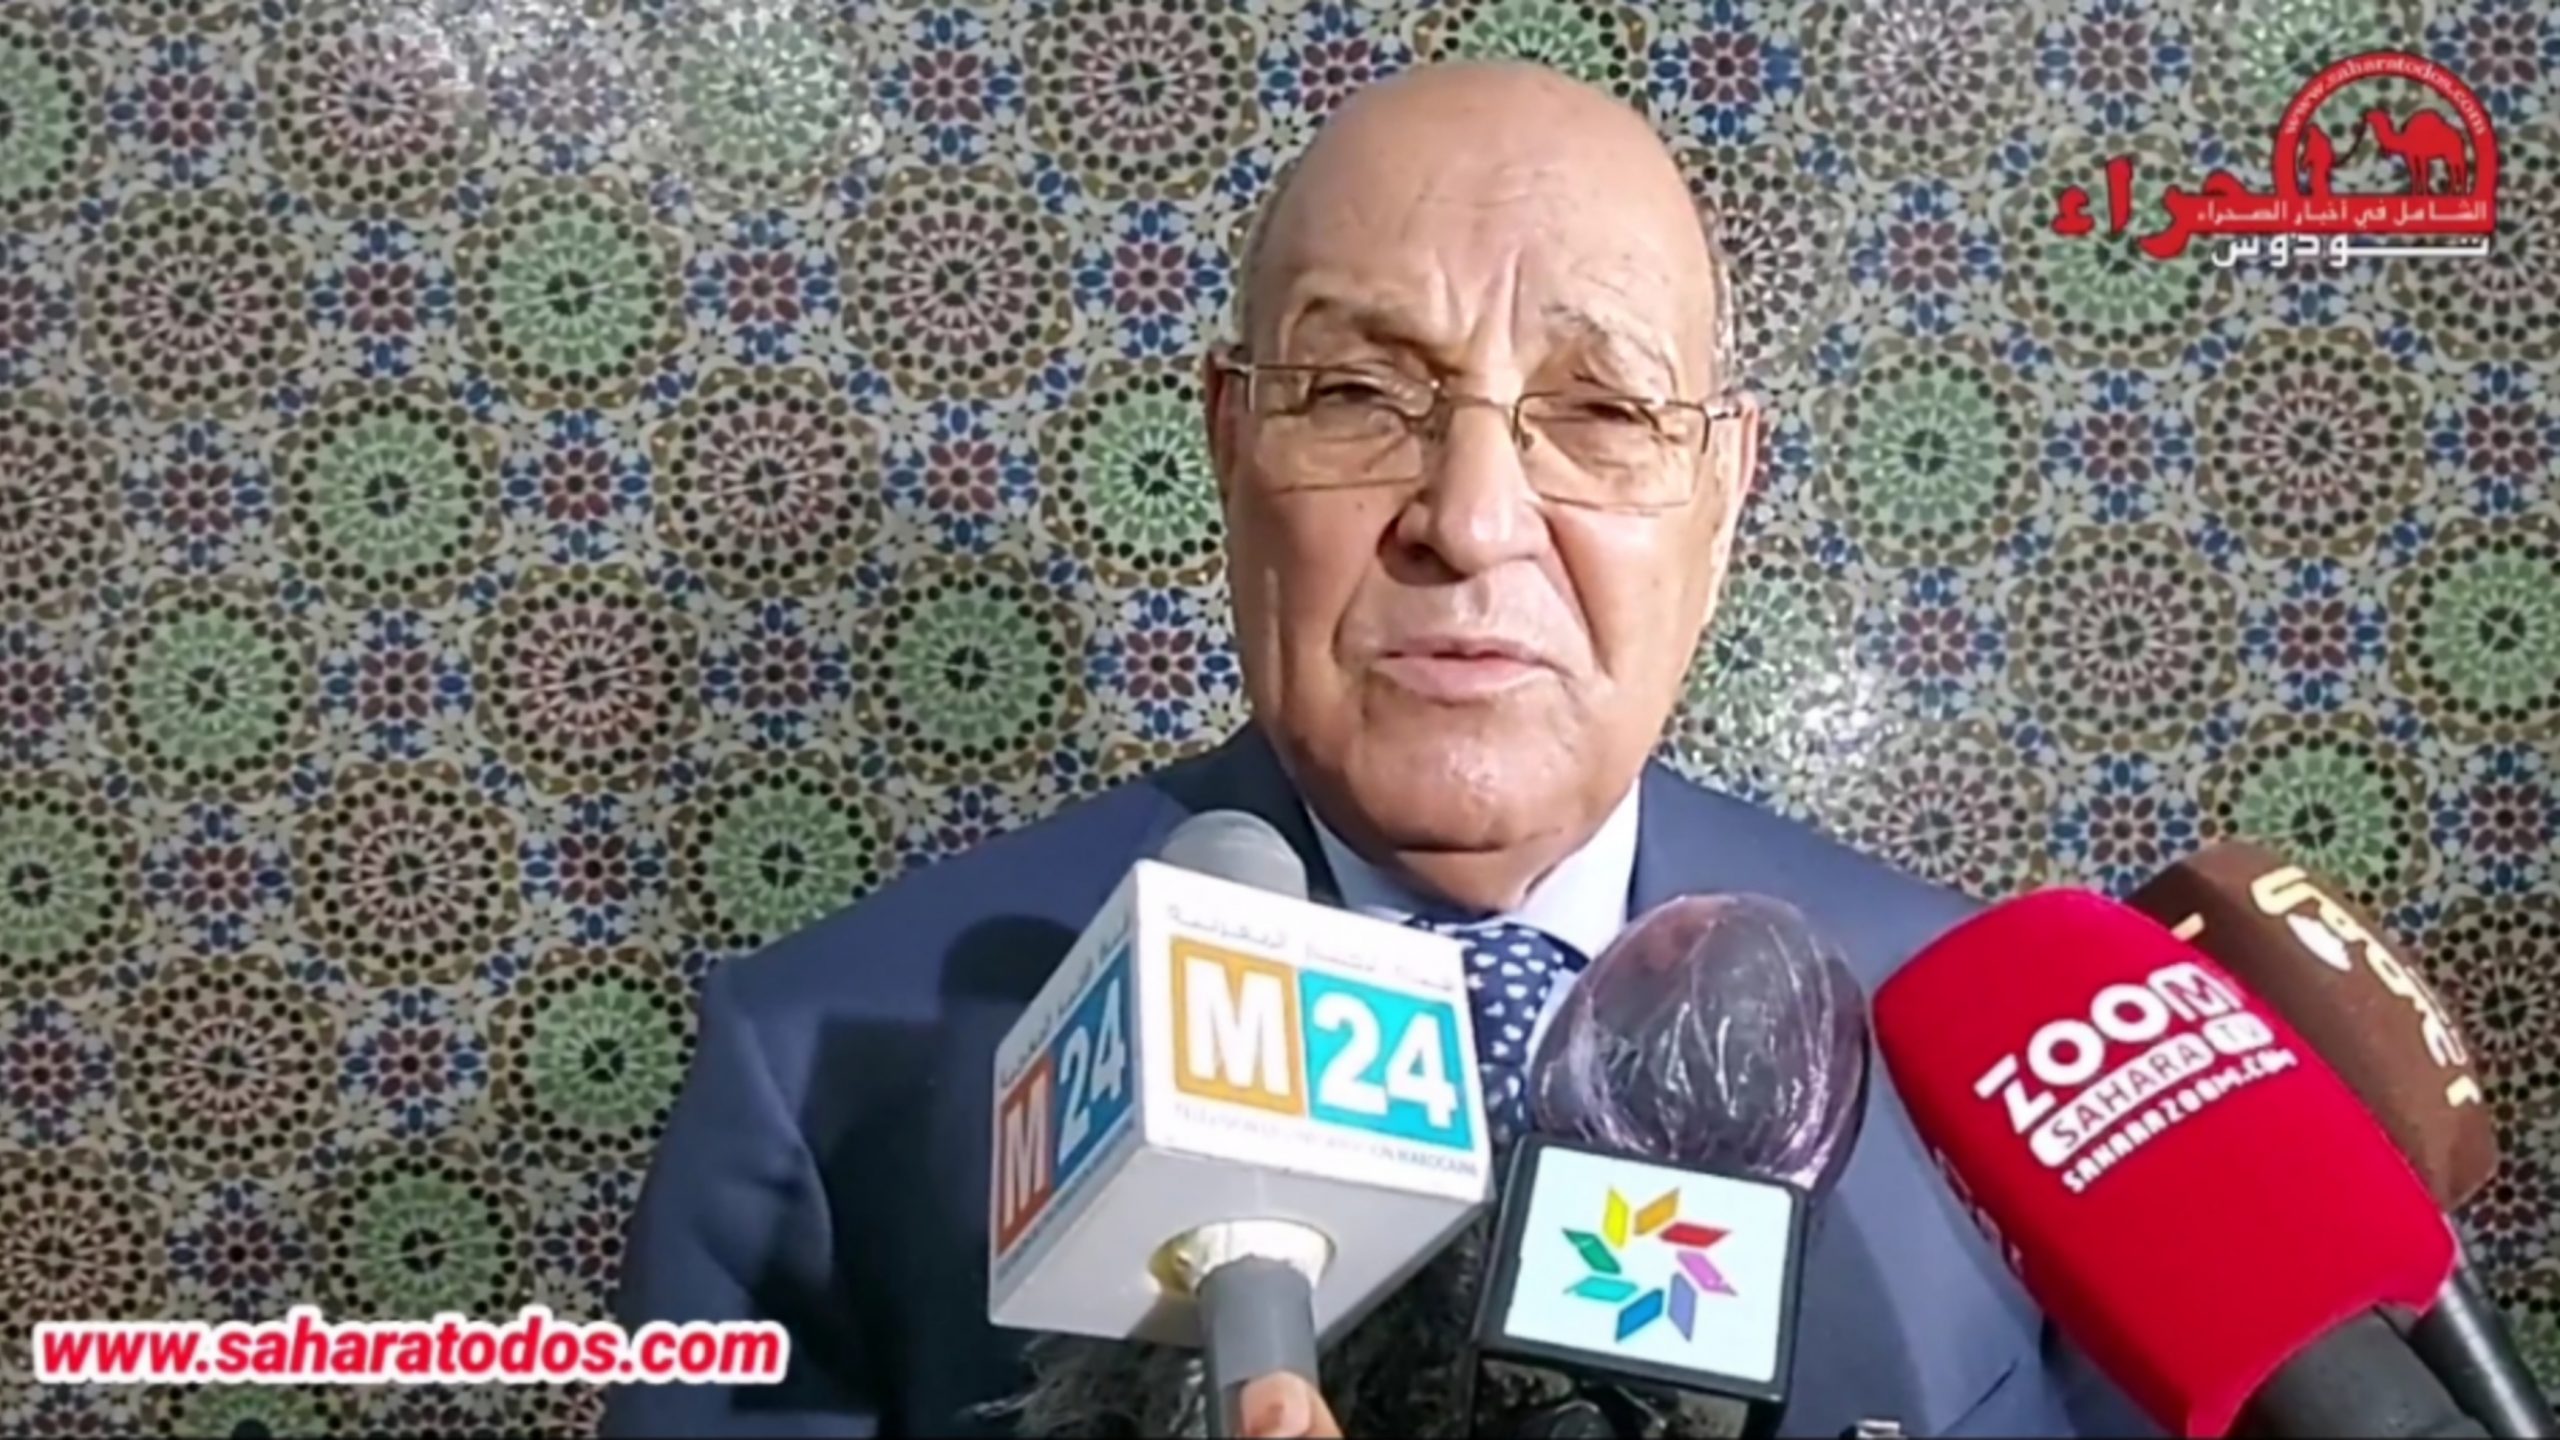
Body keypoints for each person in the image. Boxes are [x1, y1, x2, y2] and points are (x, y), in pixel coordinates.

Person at [605, 60, 2151, 1439]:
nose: (1470, 521)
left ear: (1725, 491)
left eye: (1602, 411)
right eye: (1356, 394)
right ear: (1229, 442)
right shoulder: (823, 1075)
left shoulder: (2013, 1058)